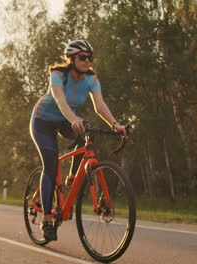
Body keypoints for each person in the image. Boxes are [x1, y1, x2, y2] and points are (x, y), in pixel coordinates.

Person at [30, 40, 128, 241]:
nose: (87, 61)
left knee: (87, 130)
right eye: (83, 57)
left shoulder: (91, 80)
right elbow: (59, 100)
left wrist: (116, 125)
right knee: (50, 164)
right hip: (42, 122)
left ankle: (73, 177)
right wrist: (74, 119)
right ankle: (47, 219)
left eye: (90, 57)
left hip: (66, 120)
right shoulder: (58, 75)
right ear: (72, 58)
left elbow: (100, 105)